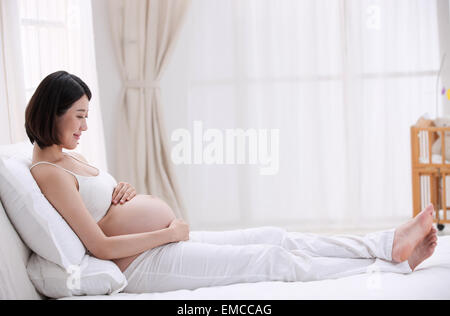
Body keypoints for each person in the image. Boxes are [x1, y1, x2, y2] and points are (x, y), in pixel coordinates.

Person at [25, 71, 438, 293]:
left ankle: (385, 244)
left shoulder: (68, 157)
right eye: (78, 115)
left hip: (164, 242)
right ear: (52, 111)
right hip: (141, 265)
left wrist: (125, 192)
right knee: (270, 261)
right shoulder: (48, 173)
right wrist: (166, 233)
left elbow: (101, 211)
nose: (84, 125)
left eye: (86, 115)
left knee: (275, 236)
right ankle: (388, 266)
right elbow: (99, 246)